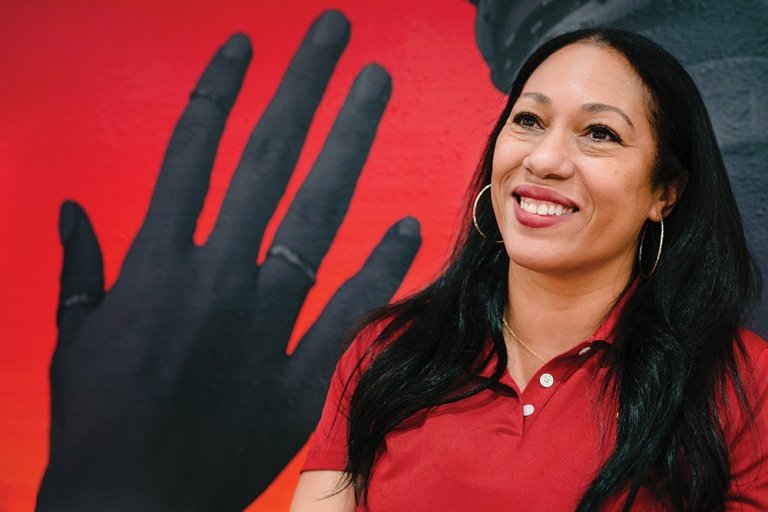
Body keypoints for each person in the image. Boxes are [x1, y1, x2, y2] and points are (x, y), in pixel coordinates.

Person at [291, 28, 767, 511]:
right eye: (529, 121)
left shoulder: (744, 384)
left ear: (664, 192)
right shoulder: (387, 352)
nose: (543, 160)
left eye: (599, 133)